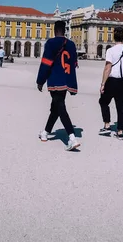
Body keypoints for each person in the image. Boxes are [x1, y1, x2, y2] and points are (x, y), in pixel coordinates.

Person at [36, 21, 80, 151]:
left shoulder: (51, 43)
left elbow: (46, 63)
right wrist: (72, 84)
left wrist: (40, 81)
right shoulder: (71, 44)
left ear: (55, 31)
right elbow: (74, 64)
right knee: (56, 107)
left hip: (55, 80)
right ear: (65, 30)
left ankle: (72, 138)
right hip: (66, 80)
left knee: (60, 107)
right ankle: (45, 132)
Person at [98, 27, 123, 139]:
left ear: (114, 36)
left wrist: (103, 83)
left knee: (103, 102)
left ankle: (107, 125)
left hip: (112, 81)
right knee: (121, 107)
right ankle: (120, 131)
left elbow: (108, 67)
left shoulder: (110, 50)